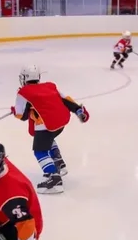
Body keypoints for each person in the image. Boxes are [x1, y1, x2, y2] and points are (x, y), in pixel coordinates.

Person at [11, 65, 90, 194]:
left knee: (40, 151)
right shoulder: (50, 86)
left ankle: (54, 180)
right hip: (60, 122)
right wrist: (78, 110)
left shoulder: (23, 92)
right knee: (48, 139)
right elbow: (66, 100)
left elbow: (22, 116)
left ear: (24, 78)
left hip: (45, 125)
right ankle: (58, 163)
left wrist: (15, 111)